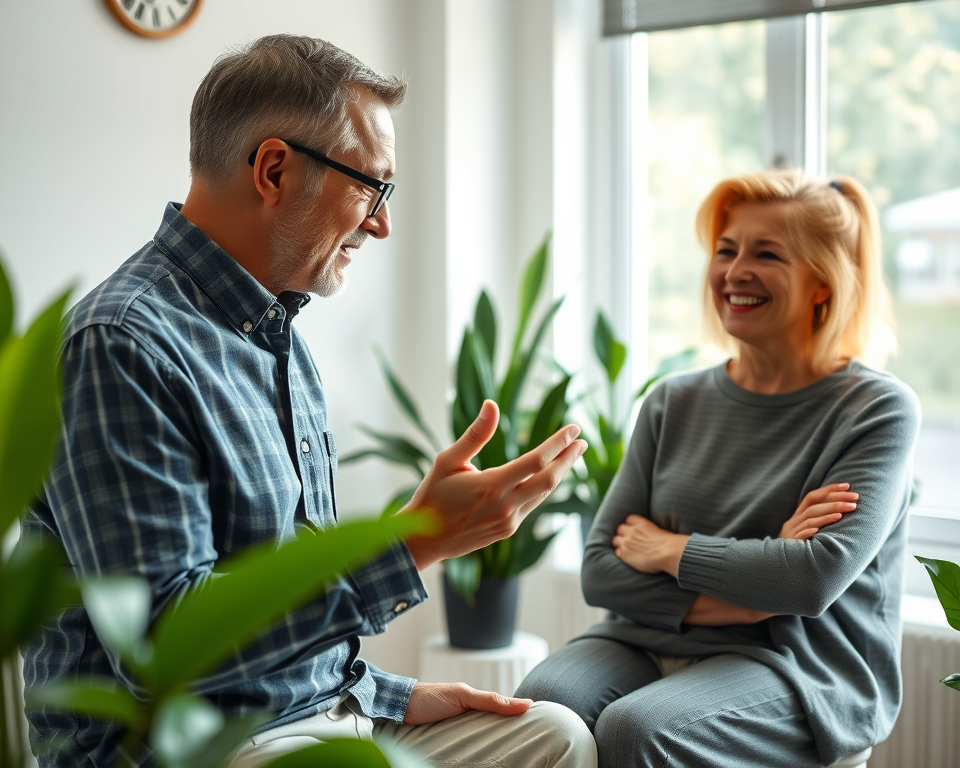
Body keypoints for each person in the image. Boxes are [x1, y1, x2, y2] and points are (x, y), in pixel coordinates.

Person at [19, 34, 596, 768]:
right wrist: (414, 542)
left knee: (554, 736)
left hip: (322, 717)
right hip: (185, 748)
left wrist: (388, 695)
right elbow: (165, 651)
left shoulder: (280, 334)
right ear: (274, 170)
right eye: (372, 186)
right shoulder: (119, 343)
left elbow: (290, 614)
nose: (381, 222)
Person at [516, 169, 921, 768]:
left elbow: (810, 581)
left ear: (823, 283)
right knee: (540, 709)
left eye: (767, 254)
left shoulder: (876, 408)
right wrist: (754, 598)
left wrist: (668, 549)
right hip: (640, 637)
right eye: (726, 251)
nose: (735, 271)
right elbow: (601, 571)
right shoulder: (672, 400)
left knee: (638, 730)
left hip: (798, 662)